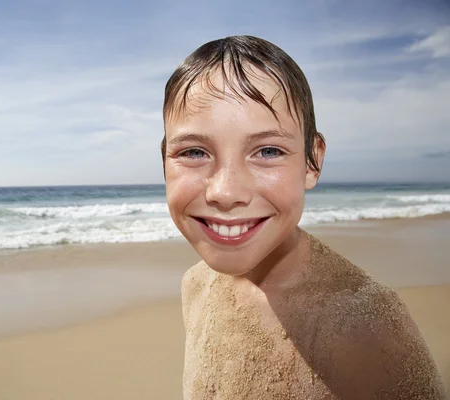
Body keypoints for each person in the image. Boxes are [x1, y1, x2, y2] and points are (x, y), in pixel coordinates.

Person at [161, 35, 446, 399]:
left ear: (312, 161)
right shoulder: (195, 285)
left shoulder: (366, 328)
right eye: (194, 152)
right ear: (164, 163)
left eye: (267, 150)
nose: (226, 192)